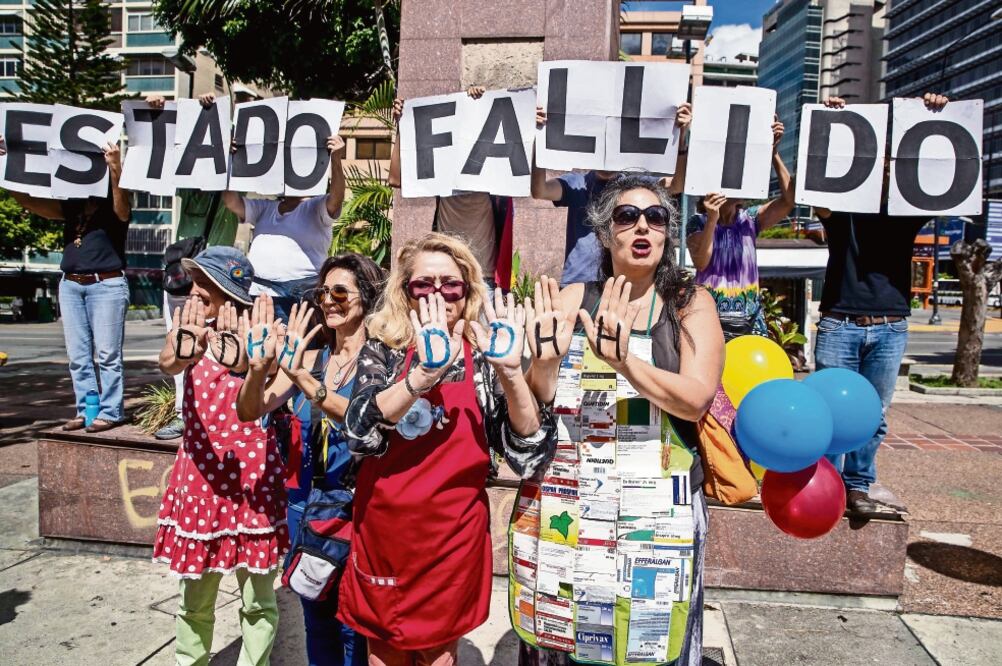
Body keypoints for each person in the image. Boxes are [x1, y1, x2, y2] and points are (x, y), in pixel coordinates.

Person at [519, 174, 725, 666]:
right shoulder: (571, 300)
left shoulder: (689, 304)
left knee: (650, 637)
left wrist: (625, 362)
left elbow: (695, 400)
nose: (642, 226)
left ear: (667, 234)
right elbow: (538, 400)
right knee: (573, 635)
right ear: (604, 232)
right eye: (626, 216)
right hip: (577, 498)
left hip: (659, 508)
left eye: (655, 218)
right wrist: (541, 365)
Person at [338, 232, 556, 664]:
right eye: (424, 284)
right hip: (386, 536)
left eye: (450, 284)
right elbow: (358, 431)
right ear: (405, 291)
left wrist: (512, 373)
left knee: (441, 657)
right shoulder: (383, 346)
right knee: (384, 656)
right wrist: (421, 376)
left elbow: (530, 455)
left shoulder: (487, 355)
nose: (438, 293)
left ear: (468, 290)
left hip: (452, 542)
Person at [236, 253, 384, 666]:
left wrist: (300, 376)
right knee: (316, 620)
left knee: (354, 628)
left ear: (367, 297)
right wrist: (258, 368)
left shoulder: (381, 362)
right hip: (308, 508)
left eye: (340, 291)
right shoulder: (310, 359)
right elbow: (250, 410)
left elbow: (362, 421)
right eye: (323, 292)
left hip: (360, 512)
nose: (329, 301)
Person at [815, 92, 949, 517]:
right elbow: (818, 189)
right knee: (831, 412)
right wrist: (832, 126)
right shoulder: (842, 205)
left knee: (873, 416)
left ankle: (857, 486)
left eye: (893, 159)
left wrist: (938, 116)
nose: (886, 166)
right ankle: (827, 484)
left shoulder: (909, 210)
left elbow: (944, 184)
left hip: (891, 325)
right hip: (840, 322)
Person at [153, 245, 289, 666]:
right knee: (195, 598)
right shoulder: (189, 326)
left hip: (252, 478)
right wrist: (186, 349)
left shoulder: (264, 330)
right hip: (199, 475)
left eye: (205, 284)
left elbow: (269, 396)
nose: (194, 290)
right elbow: (167, 364)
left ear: (229, 291)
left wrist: (250, 364)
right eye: (194, 281)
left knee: (258, 600)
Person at [0, 136, 131, 433]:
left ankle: (112, 412)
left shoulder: (115, 198)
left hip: (106, 285)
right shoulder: (72, 205)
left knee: (108, 355)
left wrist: (115, 168)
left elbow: (123, 209)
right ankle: (87, 410)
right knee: (79, 357)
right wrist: (5, 167)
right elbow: (31, 203)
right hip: (71, 285)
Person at [196, 92, 348, 323]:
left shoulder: (317, 206)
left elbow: (336, 198)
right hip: (261, 294)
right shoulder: (265, 208)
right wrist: (231, 161)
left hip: (302, 296)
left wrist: (336, 161)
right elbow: (231, 202)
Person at [145, 94, 244, 441]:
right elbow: (160, 154)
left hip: (218, 279)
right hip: (180, 275)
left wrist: (231, 156)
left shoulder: (232, 186)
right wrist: (162, 108)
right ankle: (182, 412)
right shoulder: (186, 183)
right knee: (180, 342)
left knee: (223, 346)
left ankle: (218, 409)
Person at [530, 103, 692, 286]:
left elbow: (676, 185)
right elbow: (540, 190)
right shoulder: (577, 183)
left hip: (622, 285)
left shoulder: (636, 185)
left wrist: (681, 138)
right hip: (577, 286)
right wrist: (539, 137)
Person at [388, 88, 515, 290]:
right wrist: (402, 128)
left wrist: (476, 103)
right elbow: (395, 178)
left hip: (483, 277)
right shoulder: (441, 173)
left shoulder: (492, 172)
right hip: (449, 277)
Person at [685, 117, 794, 339]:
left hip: (750, 320)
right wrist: (713, 219)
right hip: (710, 320)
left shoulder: (750, 219)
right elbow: (701, 262)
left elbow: (789, 199)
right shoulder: (697, 222)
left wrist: (773, 153)